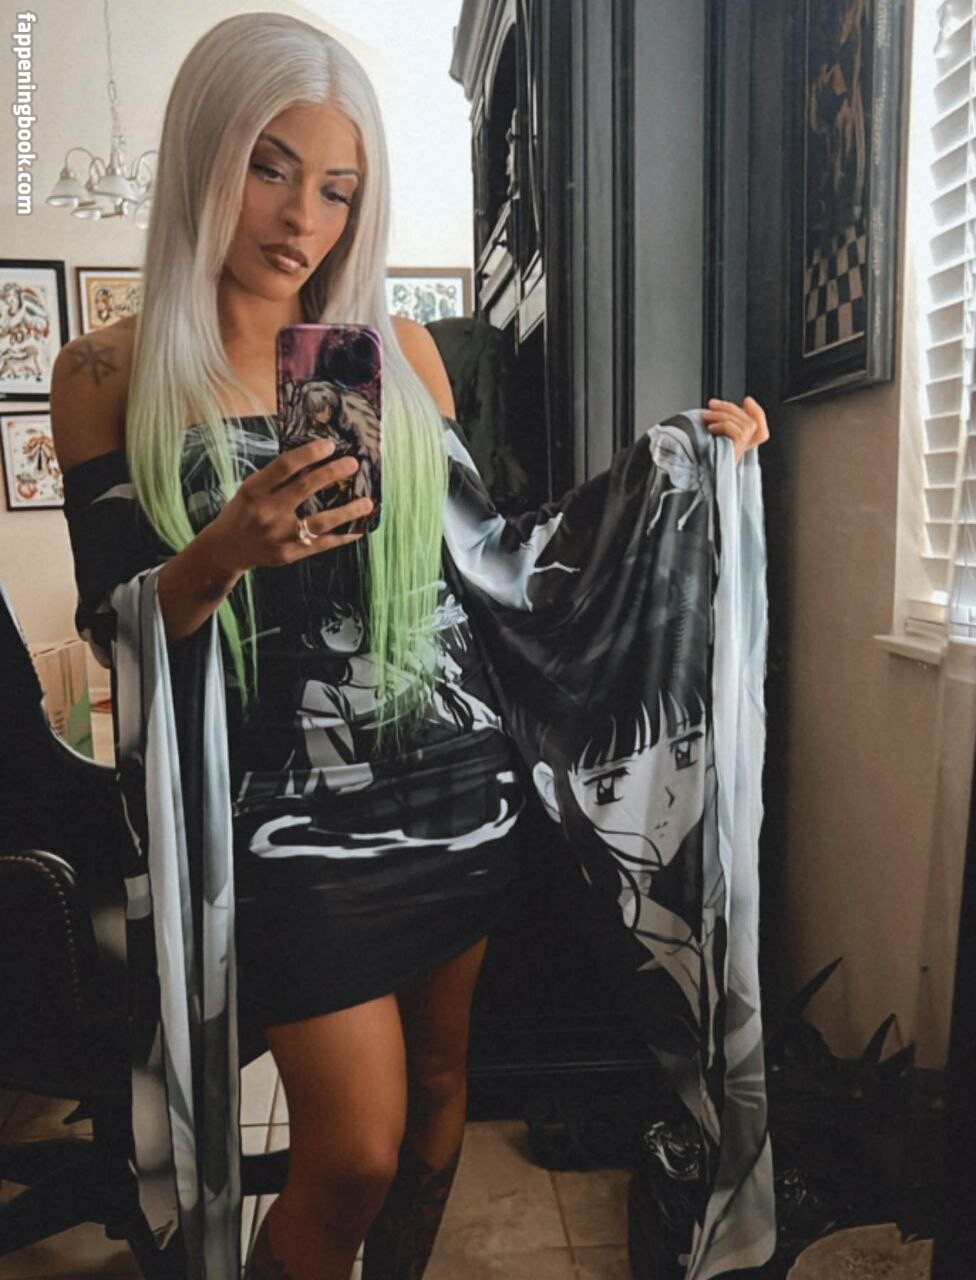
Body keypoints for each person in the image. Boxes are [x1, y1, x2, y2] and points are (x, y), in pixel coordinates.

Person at [52, 12, 770, 1280]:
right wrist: (222, 550)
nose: (302, 220)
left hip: (452, 782)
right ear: (205, 154)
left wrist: (684, 470)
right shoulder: (107, 373)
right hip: (285, 819)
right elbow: (116, 623)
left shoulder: (397, 357)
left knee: (442, 1082)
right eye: (270, 168)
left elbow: (496, 558)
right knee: (352, 1151)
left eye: (338, 189)